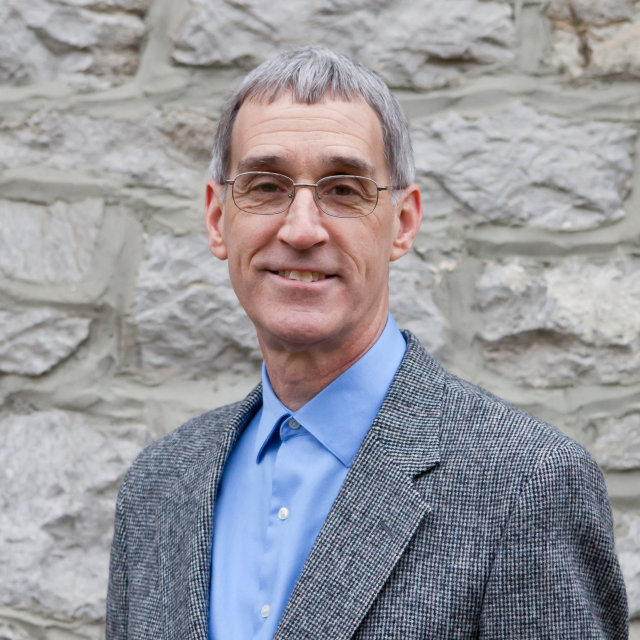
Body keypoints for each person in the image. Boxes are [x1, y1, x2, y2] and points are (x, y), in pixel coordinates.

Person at [106, 47, 628, 639]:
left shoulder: (528, 484)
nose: (302, 229)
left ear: (403, 224)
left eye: (344, 190)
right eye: (267, 186)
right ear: (216, 218)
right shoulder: (157, 486)